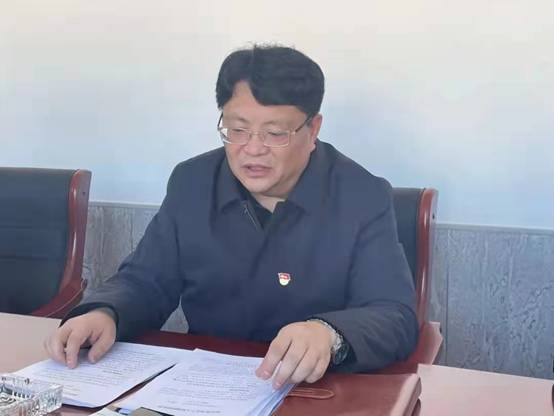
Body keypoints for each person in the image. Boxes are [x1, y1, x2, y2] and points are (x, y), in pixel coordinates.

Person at [44, 44, 418, 388]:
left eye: (274, 133)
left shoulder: (361, 196)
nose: (252, 149)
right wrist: (105, 312)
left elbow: (394, 314)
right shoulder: (193, 182)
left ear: (313, 129)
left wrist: (328, 333)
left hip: (315, 390)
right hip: (206, 386)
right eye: (237, 130)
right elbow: (147, 280)